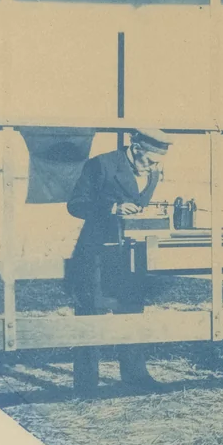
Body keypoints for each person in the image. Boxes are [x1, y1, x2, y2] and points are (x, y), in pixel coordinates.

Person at [66, 128, 172, 392]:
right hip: (97, 254)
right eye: (149, 160)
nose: (153, 167)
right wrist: (112, 208)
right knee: (91, 312)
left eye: (157, 162)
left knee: (132, 309)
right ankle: (86, 384)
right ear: (136, 150)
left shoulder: (154, 171)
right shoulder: (101, 164)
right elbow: (76, 204)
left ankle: (136, 376)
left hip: (130, 255)